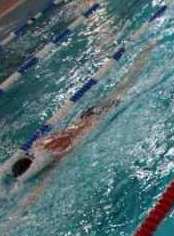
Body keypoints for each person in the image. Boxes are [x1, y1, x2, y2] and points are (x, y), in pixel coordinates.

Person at [11, 42, 152, 180]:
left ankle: (145, 54)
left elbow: (49, 176)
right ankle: (143, 53)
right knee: (121, 87)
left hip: (94, 120)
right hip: (84, 116)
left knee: (127, 87)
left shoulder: (53, 155)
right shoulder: (39, 144)